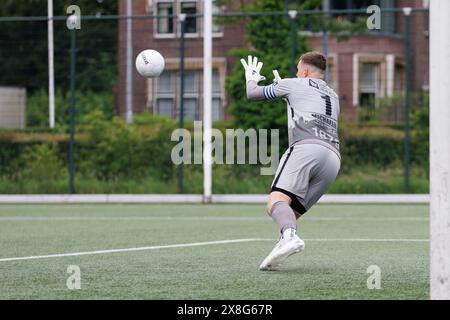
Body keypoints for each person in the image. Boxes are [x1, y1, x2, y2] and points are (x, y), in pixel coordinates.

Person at [241, 52, 341, 271]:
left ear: (304, 72)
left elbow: (252, 94)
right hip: (333, 158)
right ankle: (283, 242)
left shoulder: (293, 83)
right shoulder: (333, 94)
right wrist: (287, 90)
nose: (297, 73)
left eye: (298, 70)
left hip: (306, 148)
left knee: (276, 202)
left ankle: (289, 238)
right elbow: (306, 102)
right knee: (290, 213)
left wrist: (252, 77)